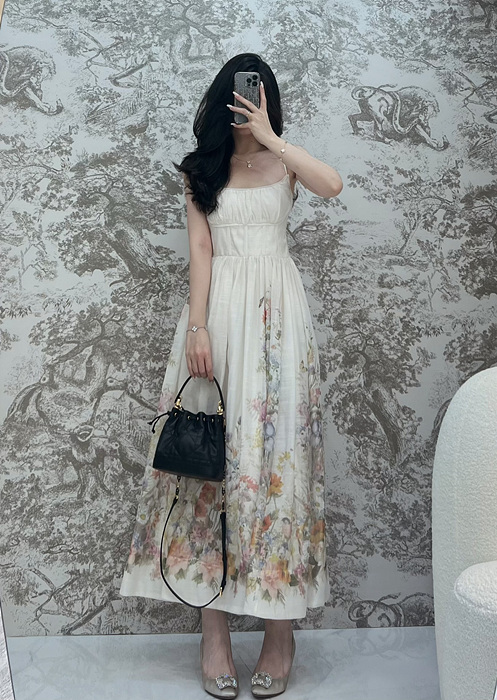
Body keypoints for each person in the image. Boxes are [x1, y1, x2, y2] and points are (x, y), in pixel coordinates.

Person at [119, 53, 343, 698]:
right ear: (223, 99)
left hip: (280, 323)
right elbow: (201, 250)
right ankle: (212, 630)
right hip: (216, 319)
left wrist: (273, 138)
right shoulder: (202, 170)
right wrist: (197, 328)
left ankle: (279, 631)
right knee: (208, 469)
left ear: (268, 101)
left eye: (260, 94)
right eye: (243, 95)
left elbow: (332, 185)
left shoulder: (286, 162)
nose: (249, 103)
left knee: (277, 466)